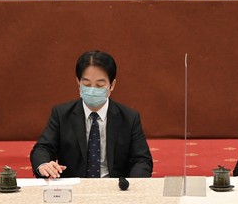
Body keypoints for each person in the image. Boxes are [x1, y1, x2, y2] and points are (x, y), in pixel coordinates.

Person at [31, 50, 153, 179]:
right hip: (74, 188)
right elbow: (42, 148)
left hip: (114, 188)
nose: (93, 89)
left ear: (112, 85)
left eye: (100, 85)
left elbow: (142, 160)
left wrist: (133, 186)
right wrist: (44, 165)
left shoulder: (129, 117)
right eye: (87, 84)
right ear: (78, 82)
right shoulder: (61, 114)